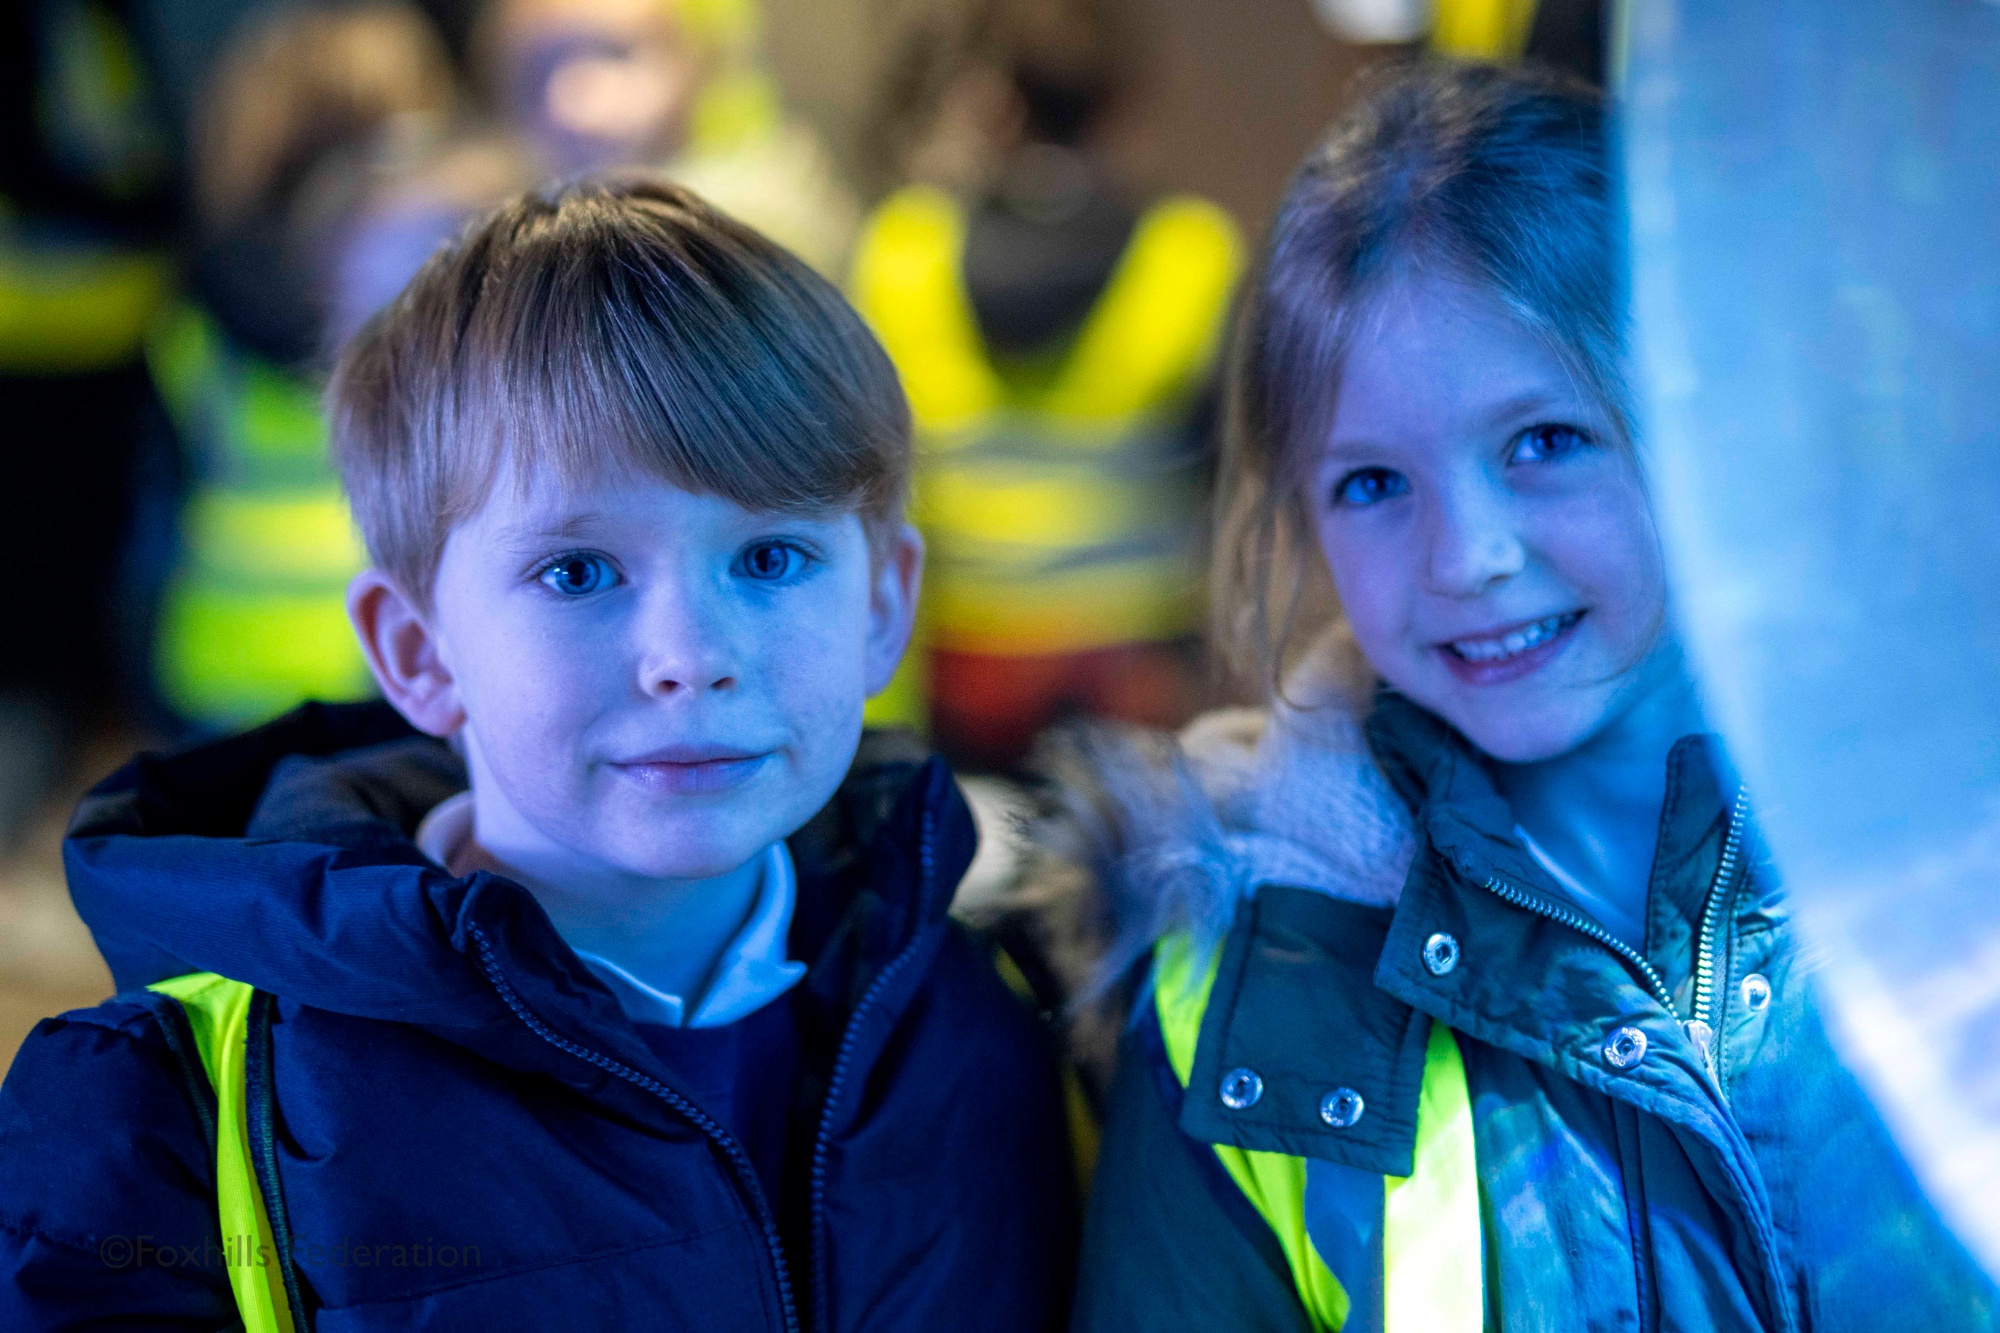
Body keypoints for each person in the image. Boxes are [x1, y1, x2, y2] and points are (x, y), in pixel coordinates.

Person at [0, 180, 1077, 1330]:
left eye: (768, 558)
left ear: (881, 604)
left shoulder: (1003, 1018)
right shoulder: (171, 1114)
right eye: (577, 571)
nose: (689, 656)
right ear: (419, 652)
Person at [1054, 64, 1998, 1330]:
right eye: (1372, 484)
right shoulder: (1242, 987)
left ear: (1702, 419)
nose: (1465, 557)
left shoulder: (1947, 845)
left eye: (1542, 442)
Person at [851, 0, 1241, 770]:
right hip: (1136, 669)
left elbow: (866, 478)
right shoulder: (1192, 253)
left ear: (992, 97)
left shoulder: (901, 251)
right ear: (1118, 97)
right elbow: (1226, 482)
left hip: (961, 666)